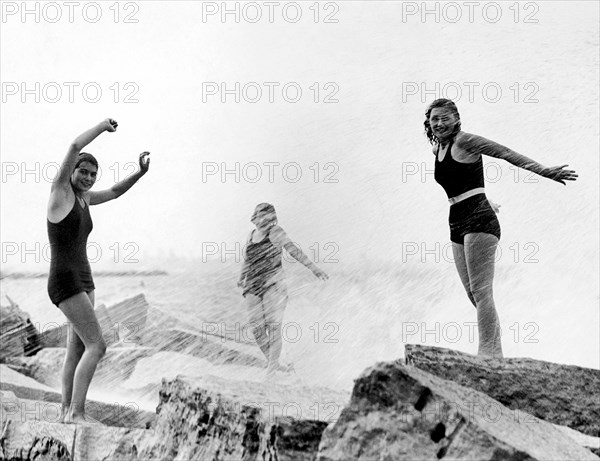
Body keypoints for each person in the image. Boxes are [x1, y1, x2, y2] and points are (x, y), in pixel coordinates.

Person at [424, 99, 577, 357]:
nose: (439, 123)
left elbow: (505, 153)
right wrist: (484, 196)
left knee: (482, 291)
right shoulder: (438, 148)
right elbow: (463, 179)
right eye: (434, 119)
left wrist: (543, 170)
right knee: (474, 295)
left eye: (445, 118)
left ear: (456, 118)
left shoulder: (465, 140)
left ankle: (490, 353)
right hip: (456, 220)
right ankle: (495, 348)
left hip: (479, 220)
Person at [47, 118, 150, 423]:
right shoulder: (60, 193)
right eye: (84, 172)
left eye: (93, 175)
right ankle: (77, 413)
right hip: (65, 280)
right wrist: (104, 127)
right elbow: (75, 146)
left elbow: (116, 191)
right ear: (72, 172)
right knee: (98, 345)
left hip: (84, 279)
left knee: (76, 349)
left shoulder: (85, 199)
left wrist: (140, 173)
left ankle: (65, 411)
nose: (89, 178)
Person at [238, 203, 328, 377]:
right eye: (261, 217)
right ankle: (276, 365)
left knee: (273, 327)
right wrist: (241, 277)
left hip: (274, 283)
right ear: (255, 217)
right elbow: (247, 259)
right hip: (252, 284)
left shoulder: (276, 232)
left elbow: (293, 251)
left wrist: (313, 268)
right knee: (256, 329)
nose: (265, 221)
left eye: (269, 217)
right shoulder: (250, 235)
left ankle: (271, 371)